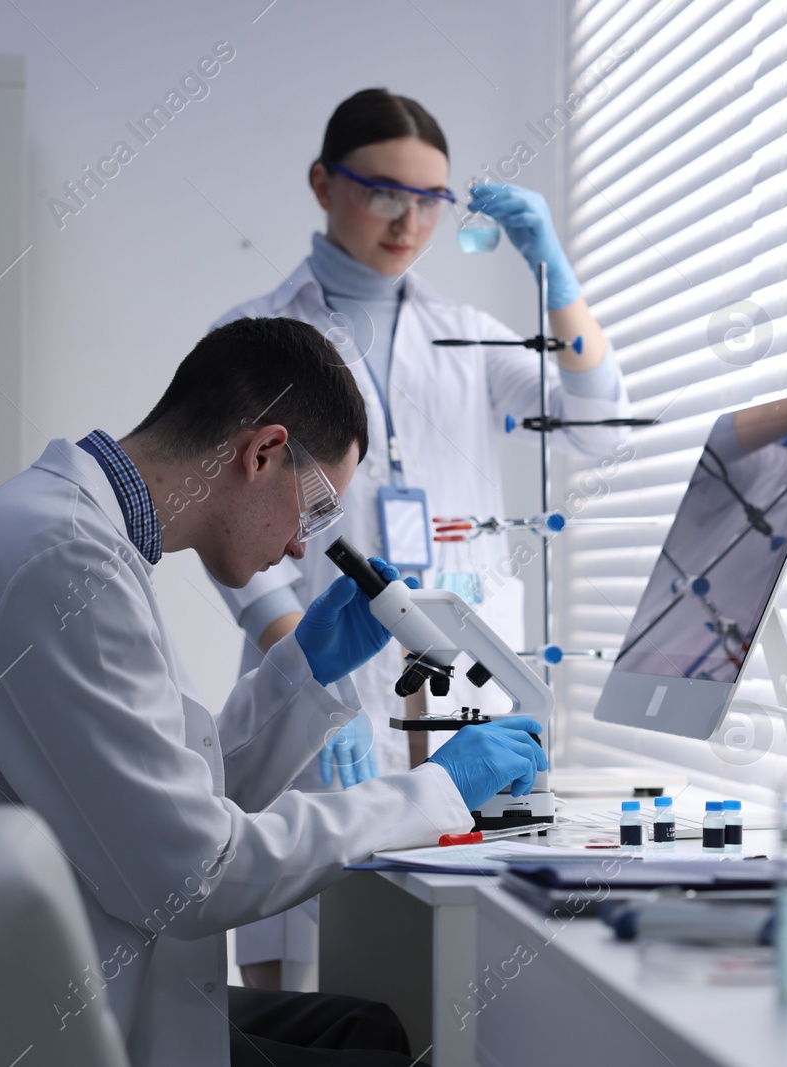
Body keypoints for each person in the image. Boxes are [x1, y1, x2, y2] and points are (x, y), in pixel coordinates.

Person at [0, 316, 548, 1067]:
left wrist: (303, 670)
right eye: (316, 510)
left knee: (368, 1031)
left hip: (41, 973)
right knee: (385, 1053)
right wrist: (437, 790)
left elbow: (168, 803)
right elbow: (192, 873)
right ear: (262, 452)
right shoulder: (64, 565)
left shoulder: (81, 536)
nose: (299, 546)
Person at [209, 88, 630, 989]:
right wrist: (297, 672)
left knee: (454, 974)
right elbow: (223, 517)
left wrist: (554, 271)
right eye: (384, 190)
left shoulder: (469, 338)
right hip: (315, 682)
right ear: (323, 183)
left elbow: (600, 421)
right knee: (308, 974)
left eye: (433, 199)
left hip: (459, 690)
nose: (410, 219)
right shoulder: (252, 341)